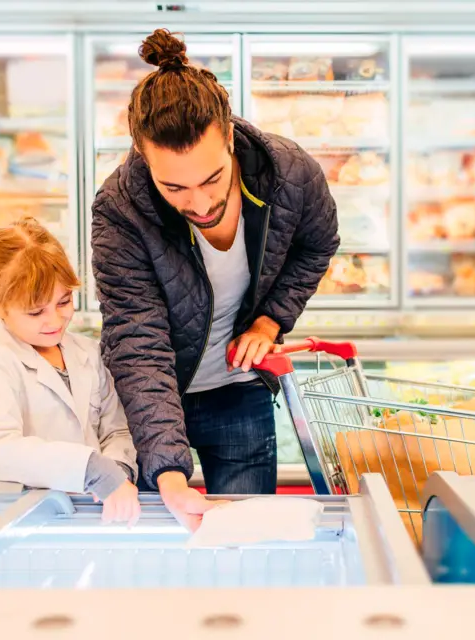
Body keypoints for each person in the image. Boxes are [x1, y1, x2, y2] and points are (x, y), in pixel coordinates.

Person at [91, 29, 339, 531]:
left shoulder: (289, 173)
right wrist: (167, 472)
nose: (200, 204)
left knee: (245, 543)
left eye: (211, 179)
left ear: (228, 137)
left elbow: (318, 245)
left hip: (239, 393)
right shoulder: (119, 212)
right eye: (174, 187)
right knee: (154, 556)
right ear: (141, 153)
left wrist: (271, 320)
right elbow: (137, 343)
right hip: (151, 403)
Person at [0, 217, 140, 526]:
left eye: (64, 301)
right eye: (35, 311)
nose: (55, 320)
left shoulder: (87, 352)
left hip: (91, 512)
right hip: (24, 518)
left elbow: (116, 430)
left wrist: (117, 471)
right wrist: (89, 468)